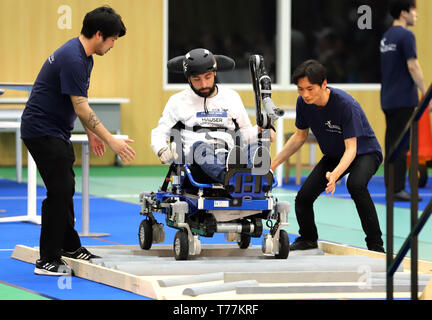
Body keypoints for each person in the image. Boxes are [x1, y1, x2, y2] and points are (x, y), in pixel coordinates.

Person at [21, 6, 136, 276]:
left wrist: (92, 132)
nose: (112, 45)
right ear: (99, 34)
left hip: (55, 130)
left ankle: (69, 246)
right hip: (41, 130)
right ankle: (47, 259)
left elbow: (77, 101)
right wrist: (111, 141)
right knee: (59, 191)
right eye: (112, 40)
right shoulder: (73, 58)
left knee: (65, 187)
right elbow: (82, 106)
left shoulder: (84, 57)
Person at [271, 60, 385, 253]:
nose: (305, 94)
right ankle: (308, 239)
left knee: (356, 185)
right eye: (300, 89)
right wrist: (272, 164)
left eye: (310, 88)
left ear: (324, 84)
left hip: (364, 153)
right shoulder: (304, 103)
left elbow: (351, 149)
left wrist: (335, 174)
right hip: (334, 154)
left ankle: (376, 246)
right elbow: (299, 137)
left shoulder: (346, 105)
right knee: (303, 198)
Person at [151, 48, 274, 184]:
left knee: (255, 146)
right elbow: (159, 133)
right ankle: (231, 179)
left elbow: (245, 134)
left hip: (229, 156)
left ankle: (254, 179)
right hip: (196, 161)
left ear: (215, 73)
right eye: (196, 79)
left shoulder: (231, 97)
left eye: (207, 77)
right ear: (189, 79)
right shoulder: (177, 101)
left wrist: (259, 130)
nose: (203, 84)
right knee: (201, 147)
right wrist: (162, 149)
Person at [380, 0, 426, 201]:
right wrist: (425, 92)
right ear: (404, 13)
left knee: (392, 143)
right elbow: (413, 66)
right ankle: (397, 188)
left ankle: (391, 186)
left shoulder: (386, 36)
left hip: (388, 98)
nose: (416, 16)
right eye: (414, 12)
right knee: (401, 144)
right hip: (403, 99)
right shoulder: (406, 36)